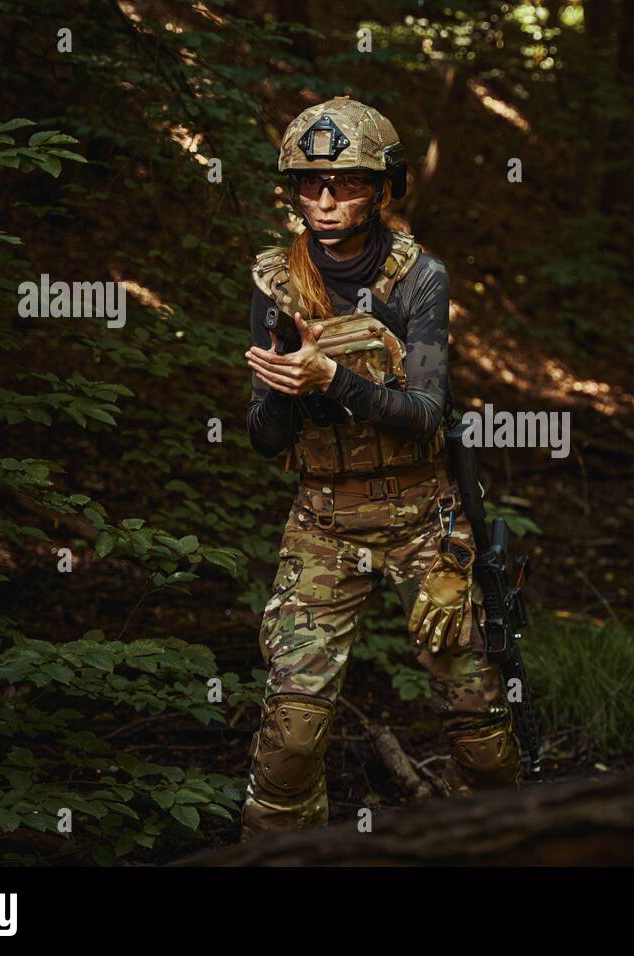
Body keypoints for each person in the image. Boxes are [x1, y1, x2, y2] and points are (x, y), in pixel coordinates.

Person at [239, 96, 521, 841]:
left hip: (424, 524)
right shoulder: (277, 280)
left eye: (348, 183)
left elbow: (427, 410)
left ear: (383, 188)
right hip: (323, 526)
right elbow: (264, 439)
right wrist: (282, 387)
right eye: (309, 184)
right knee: (292, 740)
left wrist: (330, 379)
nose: (326, 201)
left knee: (483, 736)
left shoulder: (419, 278)